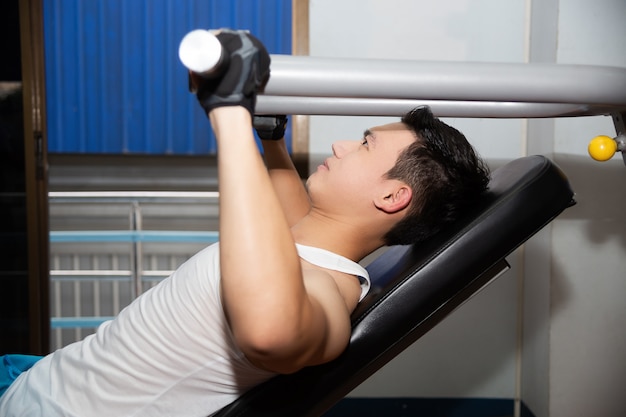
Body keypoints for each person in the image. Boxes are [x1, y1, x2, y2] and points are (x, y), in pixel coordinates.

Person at [0, 30, 489, 416]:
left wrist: (229, 115)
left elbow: (270, 334)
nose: (340, 146)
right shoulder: (314, 248)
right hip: (46, 379)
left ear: (392, 196)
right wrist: (269, 135)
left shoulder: (328, 298)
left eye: (363, 144)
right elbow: (292, 211)